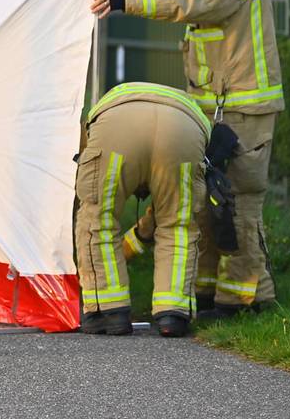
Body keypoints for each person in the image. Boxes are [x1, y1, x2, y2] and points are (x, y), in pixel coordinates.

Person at [91, 0, 283, 319]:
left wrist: (125, 0)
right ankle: (209, 291)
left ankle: (245, 299)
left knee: (239, 205)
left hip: (244, 113)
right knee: (210, 201)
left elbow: (187, 2)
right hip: (225, 110)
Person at [75, 82, 238, 338]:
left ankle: (108, 311)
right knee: (178, 225)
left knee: (98, 220)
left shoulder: (105, 107)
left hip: (116, 125)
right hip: (183, 128)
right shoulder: (185, 105)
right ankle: (173, 314)